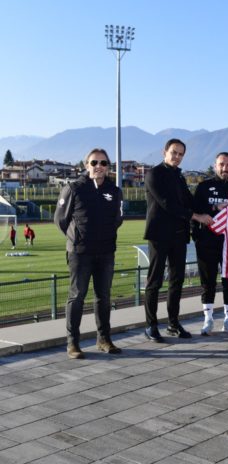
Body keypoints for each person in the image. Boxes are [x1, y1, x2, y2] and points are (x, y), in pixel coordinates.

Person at [54, 148, 123, 359]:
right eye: (94, 163)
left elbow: (118, 218)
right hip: (80, 253)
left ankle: (104, 339)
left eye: (103, 163)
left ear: (108, 167)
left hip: (105, 252)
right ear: (86, 165)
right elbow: (60, 219)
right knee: (77, 296)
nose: (98, 167)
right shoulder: (73, 188)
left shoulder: (115, 190)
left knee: (103, 297)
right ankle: (72, 343)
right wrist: (77, 239)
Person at [143, 138, 212, 343]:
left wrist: (214, 209)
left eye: (181, 154)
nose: (177, 157)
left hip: (179, 235)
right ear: (165, 152)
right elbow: (168, 204)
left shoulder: (179, 177)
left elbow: (190, 202)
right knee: (154, 282)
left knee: (176, 281)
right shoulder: (153, 174)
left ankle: (173, 323)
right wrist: (197, 217)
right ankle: (151, 325)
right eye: (174, 152)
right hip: (159, 235)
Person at [192, 152, 228, 336]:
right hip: (207, 242)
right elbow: (194, 211)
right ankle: (208, 319)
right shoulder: (204, 186)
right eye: (222, 164)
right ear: (215, 165)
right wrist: (214, 208)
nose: (225, 168)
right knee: (208, 282)